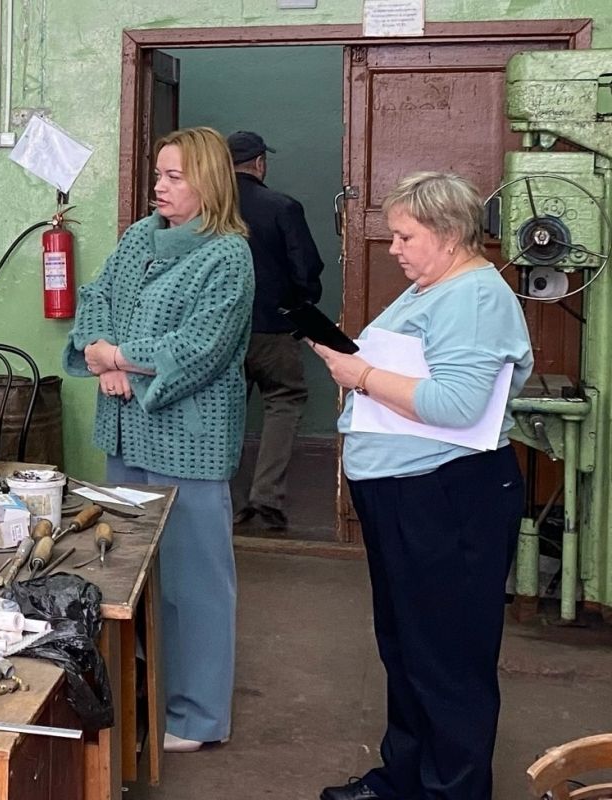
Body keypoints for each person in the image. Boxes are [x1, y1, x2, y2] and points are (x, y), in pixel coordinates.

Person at [311, 172, 533, 800]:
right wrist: (352, 361)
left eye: (405, 236)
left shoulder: (475, 297)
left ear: (450, 233)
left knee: (448, 659)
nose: (394, 249)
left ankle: (451, 791)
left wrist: (359, 376)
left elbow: (456, 404)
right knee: (408, 647)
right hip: (407, 491)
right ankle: (404, 778)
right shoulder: (432, 287)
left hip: (447, 495)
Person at [63, 127, 254, 753]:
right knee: (127, 575)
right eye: (158, 174)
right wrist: (101, 356)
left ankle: (196, 715)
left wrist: (121, 357)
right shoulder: (139, 236)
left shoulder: (228, 256)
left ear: (210, 182)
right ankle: (143, 694)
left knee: (193, 585)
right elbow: (97, 296)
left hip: (188, 443)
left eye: (174, 176)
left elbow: (200, 347)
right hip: (126, 432)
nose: (159, 187)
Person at [227, 130, 324, 532]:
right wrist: (302, 306)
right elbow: (306, 267)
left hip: (222, 333)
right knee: (284, 401)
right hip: (275, 326)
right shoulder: (283, 207)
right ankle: (266, 497)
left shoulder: (208, 209)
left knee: (225, 410)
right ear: (260, 163)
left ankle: (224, 500)